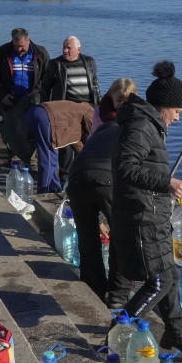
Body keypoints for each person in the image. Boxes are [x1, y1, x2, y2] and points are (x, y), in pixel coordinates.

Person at [110, 61, 182, 357]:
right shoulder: (141, 125)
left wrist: (166, 191)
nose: (176, 119)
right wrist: (167, 182)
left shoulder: (149, 124)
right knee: (159, 280)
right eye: (177, 112)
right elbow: (126, 168)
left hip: (153, 214)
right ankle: (116, 335)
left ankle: (176, 334)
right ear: (164, 106)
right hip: (140, 217)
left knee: (171, 275)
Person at [66, 78, 137, 305]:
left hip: (77, 175)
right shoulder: (134, 125)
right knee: (121, 235)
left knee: (88, 239)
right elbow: (131, 167)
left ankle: (93, 288)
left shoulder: (103, 124)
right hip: (105, 176)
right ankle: (117, 295)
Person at [42, 35, 101, 180]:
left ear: (78, 50)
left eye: (69, 48)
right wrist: (46, 109)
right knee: (67, 146)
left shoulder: (89, 62)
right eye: (64, 47)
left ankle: (85, 175)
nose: (65, 50)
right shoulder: (55, 64)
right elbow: (45, 88)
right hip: (66, 110)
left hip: (87, 108)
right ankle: (65, 179)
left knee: (89, 143)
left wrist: (99, 107)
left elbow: (95, 86)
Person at [0, 28, 50, 163]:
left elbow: (47, 77)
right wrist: (2, 93)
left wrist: (37, 93)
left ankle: (32, 159)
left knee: (32, 130)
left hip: (33, 98)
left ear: (28, 40)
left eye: (22, 46)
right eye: (16, 47)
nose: (19, 50)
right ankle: (14, 158)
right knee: (12, 129)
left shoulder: (40, 53)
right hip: (11, 98)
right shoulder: (3, 52)